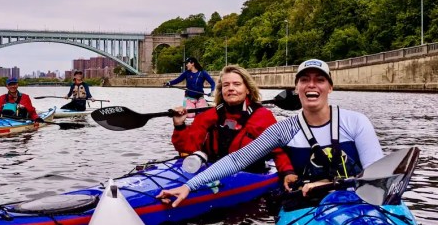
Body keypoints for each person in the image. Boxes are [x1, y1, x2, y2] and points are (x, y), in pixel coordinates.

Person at [158, 59, 384, 207]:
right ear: (296, 89)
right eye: (304, 80)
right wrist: (189, 186)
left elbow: (379, 181)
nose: (311, 85)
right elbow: (237, 160)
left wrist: (325, 184)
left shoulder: (356, 123)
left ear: (330, 87)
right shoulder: (284, 129)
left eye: (320, 80)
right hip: (307, 209)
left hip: (357, 205)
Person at [171, 65, 295, 180]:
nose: (231, 88)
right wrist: (179, 125)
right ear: (221, 91)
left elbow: (278, 152)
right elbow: (187, 147)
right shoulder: (208, 116)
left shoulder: (262, 116)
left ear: (247, 89)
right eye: (226, 85)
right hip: (213, 175)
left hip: (249, 176)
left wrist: (287, 173)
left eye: (237, 84)